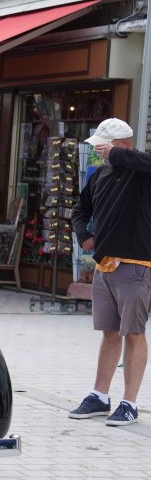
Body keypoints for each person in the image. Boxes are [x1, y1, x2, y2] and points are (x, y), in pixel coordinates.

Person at [70, 118, 150, 426]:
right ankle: (100, 396)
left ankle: (129, 403)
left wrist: (116, 154)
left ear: (123, 145)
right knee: (110, 332)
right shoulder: (101, 175)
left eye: (104, 147)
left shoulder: (140, 172)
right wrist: (84, 235)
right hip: (104, 266)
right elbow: (80, 208)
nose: (99, 153)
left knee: (134, 333)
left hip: (136, 265)